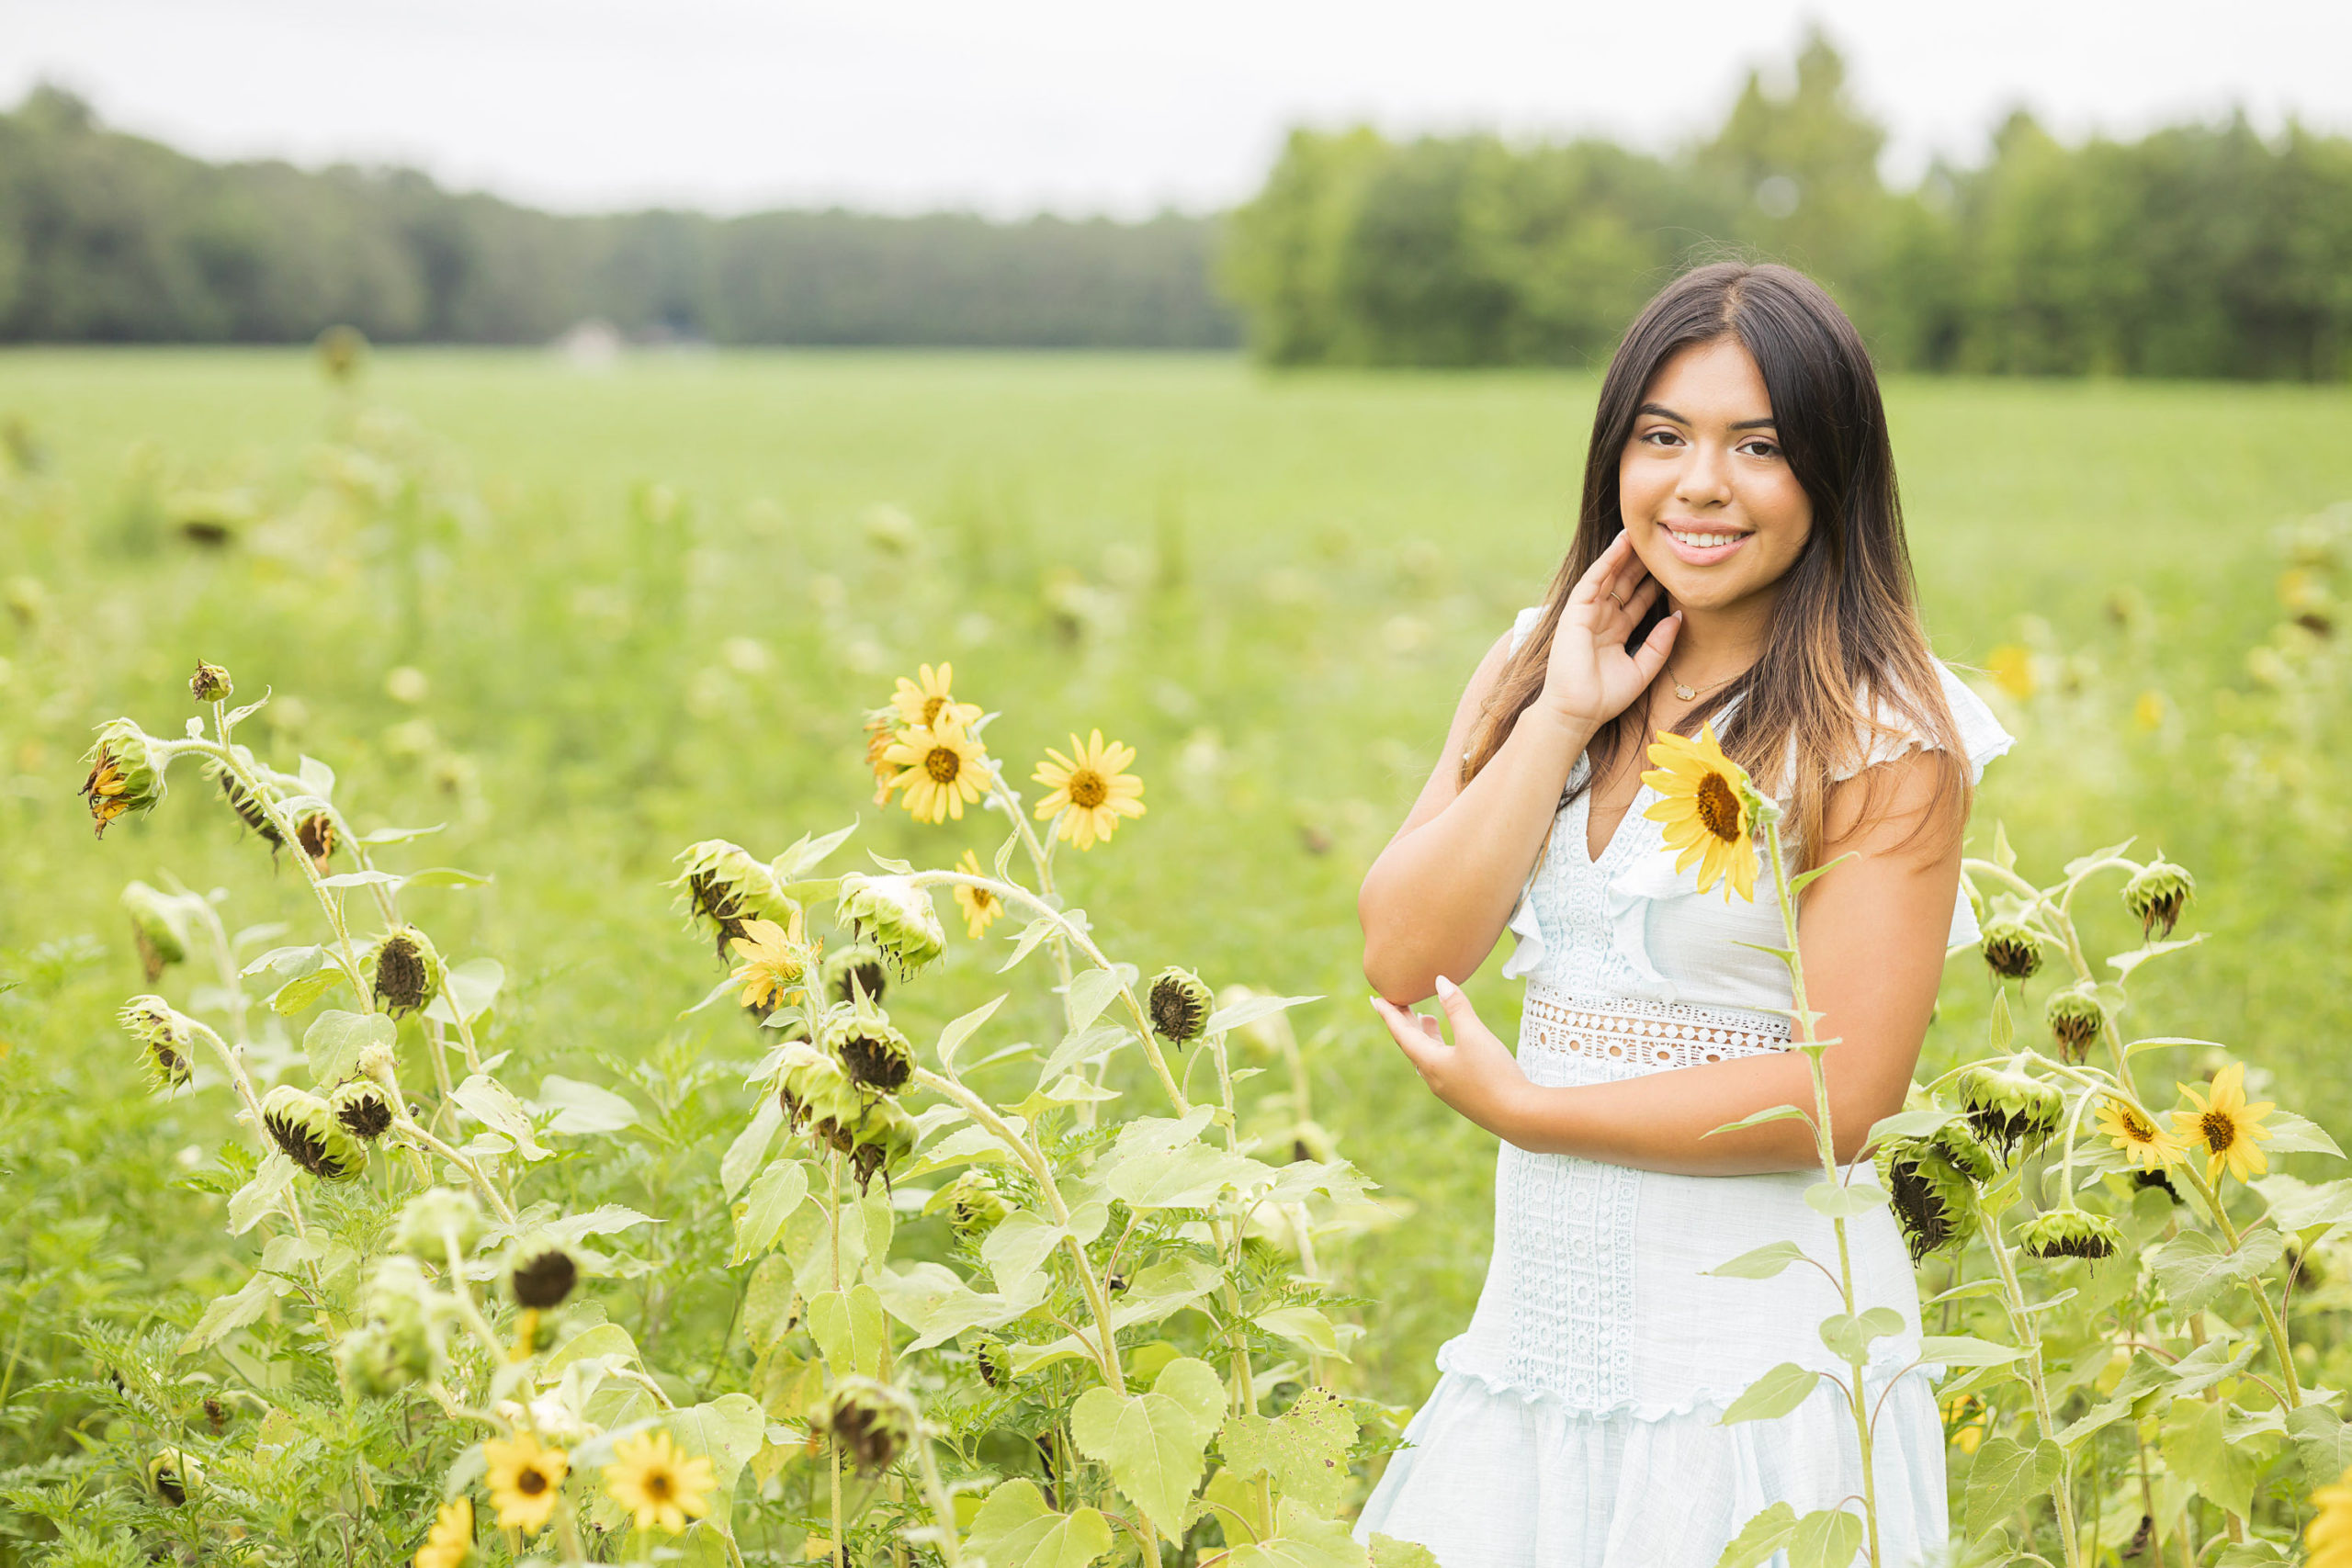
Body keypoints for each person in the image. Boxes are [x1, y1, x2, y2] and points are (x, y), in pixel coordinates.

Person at [1352, 261, 2013, 1567]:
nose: (1699, 484)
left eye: (1757, 445)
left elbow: (1844, 1092)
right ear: (1617, 459)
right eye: (1664, 437)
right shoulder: (1541, 658)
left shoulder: (1885, 730)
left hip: (1756, 1387)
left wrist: (1530, 1110)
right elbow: (1405, 949)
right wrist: (1558, 716)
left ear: (1832, 473)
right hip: (1537, 1354)